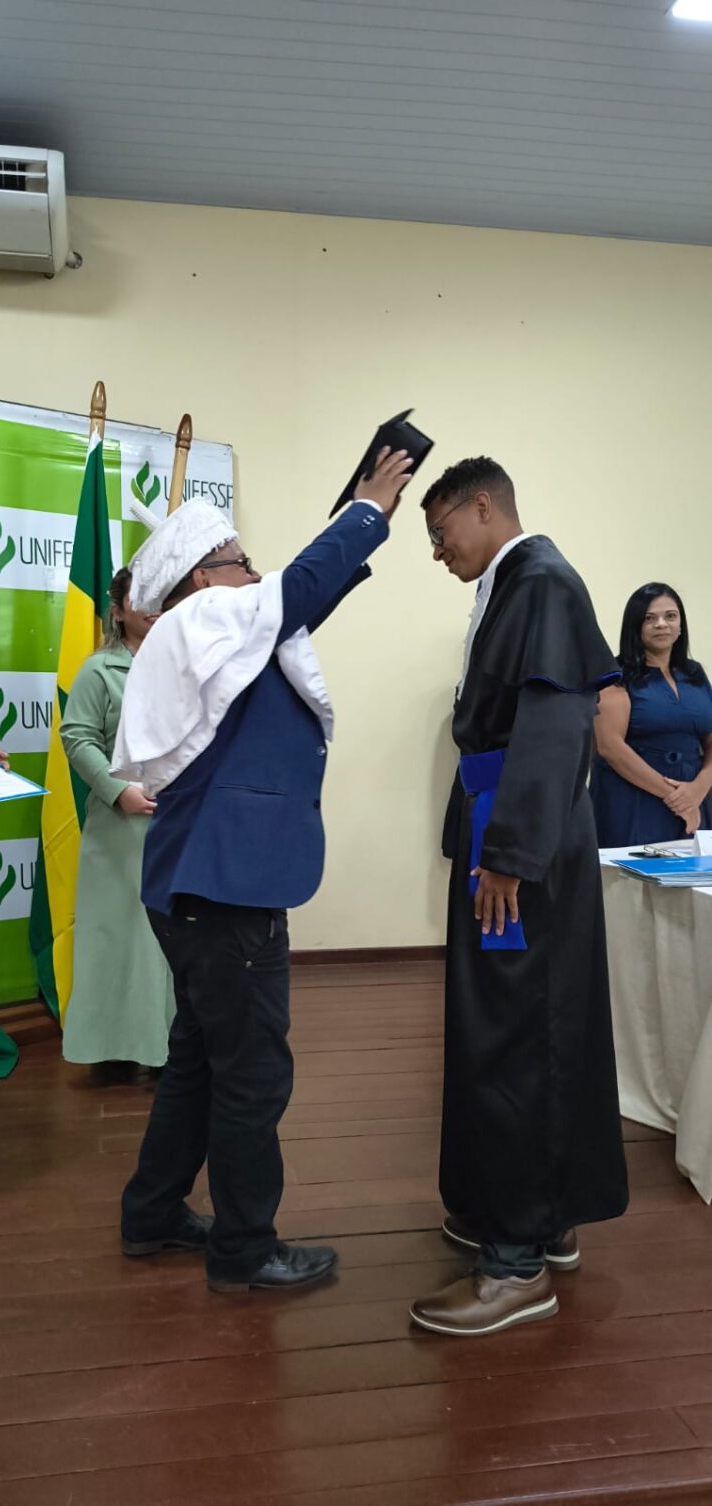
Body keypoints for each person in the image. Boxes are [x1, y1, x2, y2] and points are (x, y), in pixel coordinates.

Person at [111, 448, 413, 1293]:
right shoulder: (202, 618)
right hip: (224, 887)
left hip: (203, 882)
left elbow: (297, 600)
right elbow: (294, 590)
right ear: (202, 577)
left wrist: (355, 539)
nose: (255, 571)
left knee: (200, 1060)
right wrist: (365, 511)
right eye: (241, 559)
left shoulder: (209, 632)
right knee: (250, 1071)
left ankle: (152, 1213)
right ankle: (244, 1249)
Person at [410, 458, 628, 1338]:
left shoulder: (539, 580)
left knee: (514, 1031)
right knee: (533, 1020)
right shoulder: (516, 584)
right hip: (507, 828)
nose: (436, 552)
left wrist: (505, 855)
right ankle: (542, 1214)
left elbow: (551, 723)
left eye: (439, 534)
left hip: (519, 844)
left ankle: (514, 1266)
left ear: (482, 505)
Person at [59, 567, 176, 1077]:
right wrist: (117, 790)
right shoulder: (99, 670)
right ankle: (114, 1052)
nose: (153, 607)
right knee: (120, 938)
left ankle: (171, 1050)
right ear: (118, 609)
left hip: (180, 822)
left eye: (161, 596)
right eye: (141, 598)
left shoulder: (187, 662)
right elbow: (77, 737)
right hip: (120, 826)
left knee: (172, 942)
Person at [590, 583, 712, 847]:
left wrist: (699, 787)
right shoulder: (615, 676)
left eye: (670, 616)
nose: (661, 624)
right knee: (632, 873)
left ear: (681, 625)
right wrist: (675, 797)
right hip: (632, 800)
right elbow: (610, 747)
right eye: (649, 618)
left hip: (695, 800)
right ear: (635, 625)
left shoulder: (694, 674)